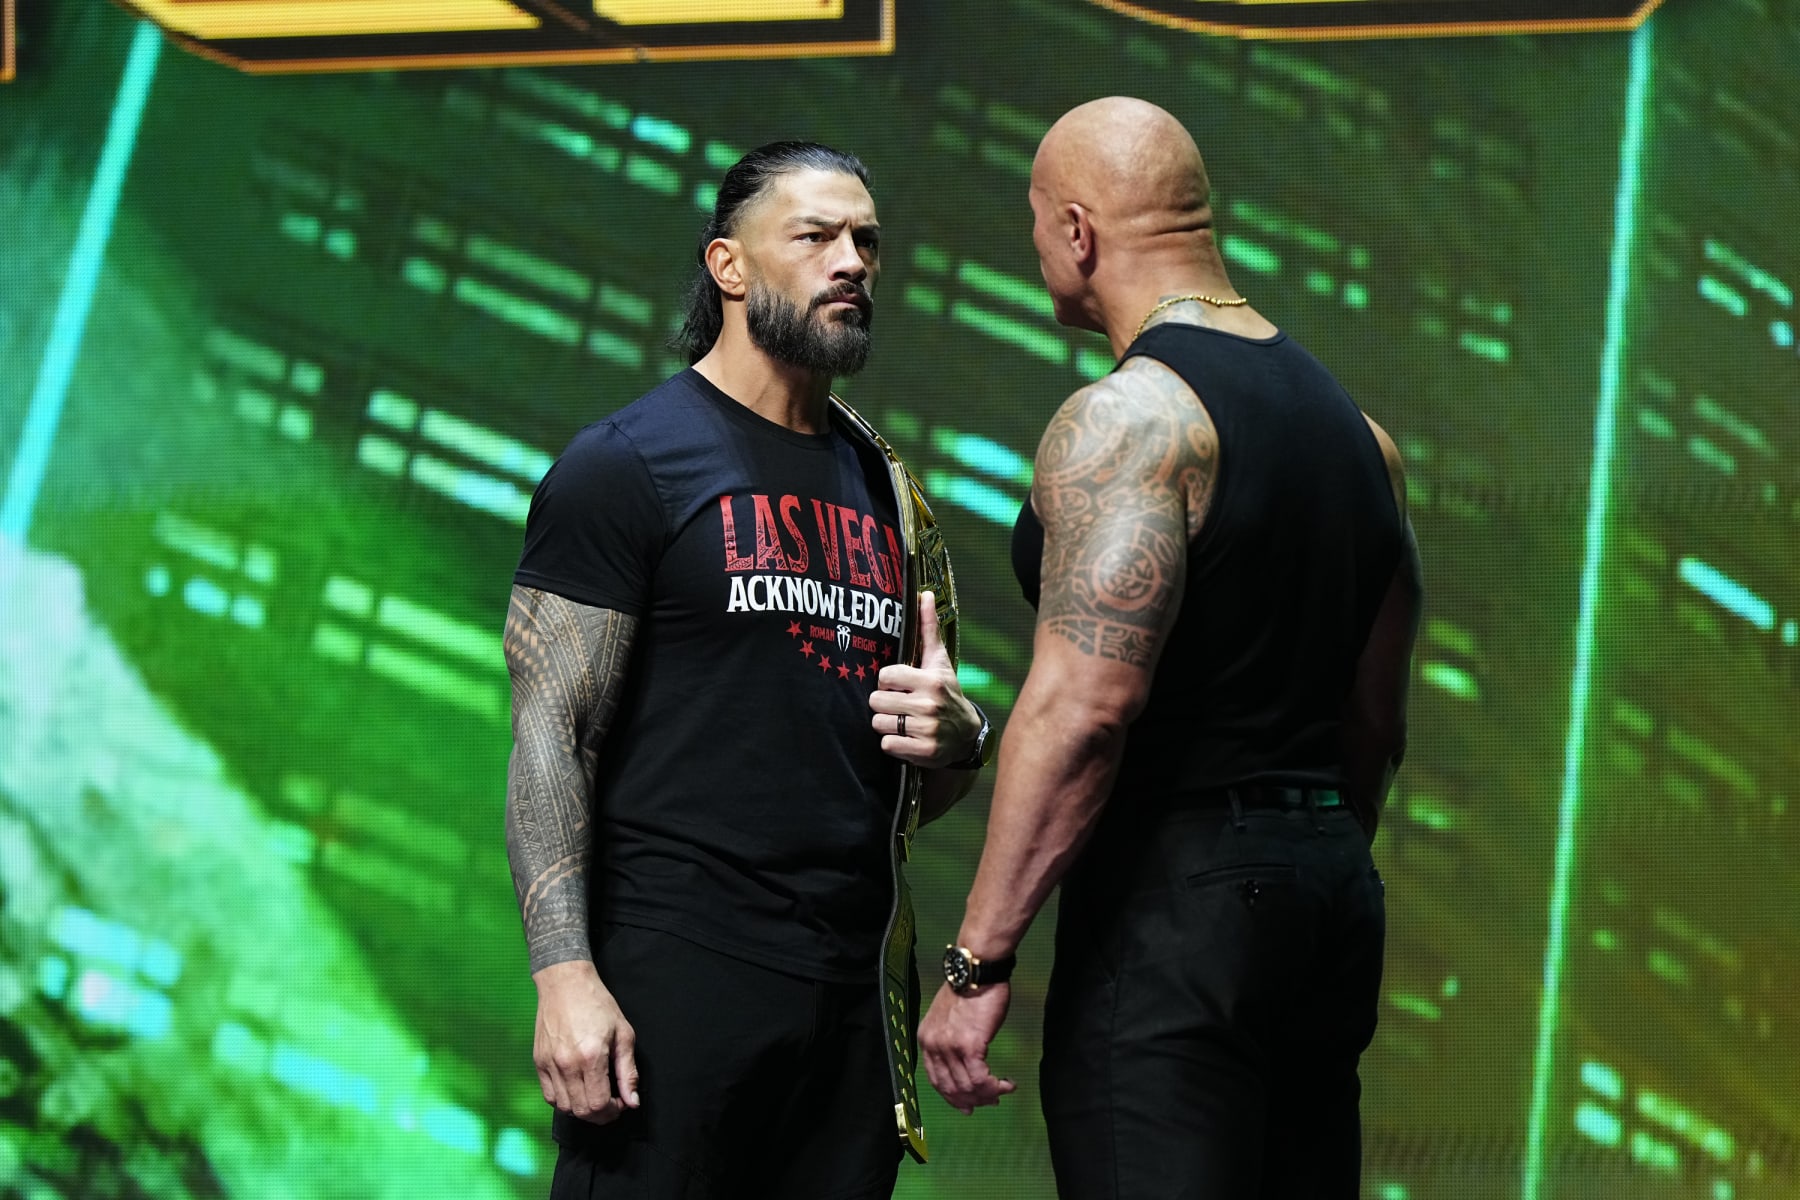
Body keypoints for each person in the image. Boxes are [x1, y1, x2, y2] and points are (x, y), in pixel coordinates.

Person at [917, 97, 1423, 1199]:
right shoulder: (1362, 439)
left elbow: (1085, 708)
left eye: (1037, 226)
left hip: (1178, 908)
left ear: (1077, 232)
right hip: (1328, 888)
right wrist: (1299, 858)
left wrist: (977, 960)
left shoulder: (1133, 418)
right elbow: (1377, 717)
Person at [505, 141, 990, 1199]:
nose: (852, 260)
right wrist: (563, 975)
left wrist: (964, 742)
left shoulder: (890, 491)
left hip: (849, 1002)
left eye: (866, 239)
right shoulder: (627, 464)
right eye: (815, 237)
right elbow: (552, 734)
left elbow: (917, 779)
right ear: (727, 265)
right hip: (675, 981)